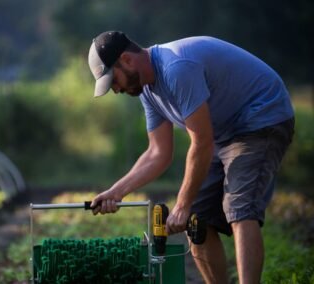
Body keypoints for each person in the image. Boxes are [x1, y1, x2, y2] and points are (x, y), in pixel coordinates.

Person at [88, 31, 294, 284]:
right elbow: (158, 153)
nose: (116, 90)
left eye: (113, 81)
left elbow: (202, 142)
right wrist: (116, 191)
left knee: (239, 208)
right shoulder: (148, 91)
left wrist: (182, 204)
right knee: (197, 220)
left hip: (261, 118)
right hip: (223, 134)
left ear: (127, 60)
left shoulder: (176, 68)